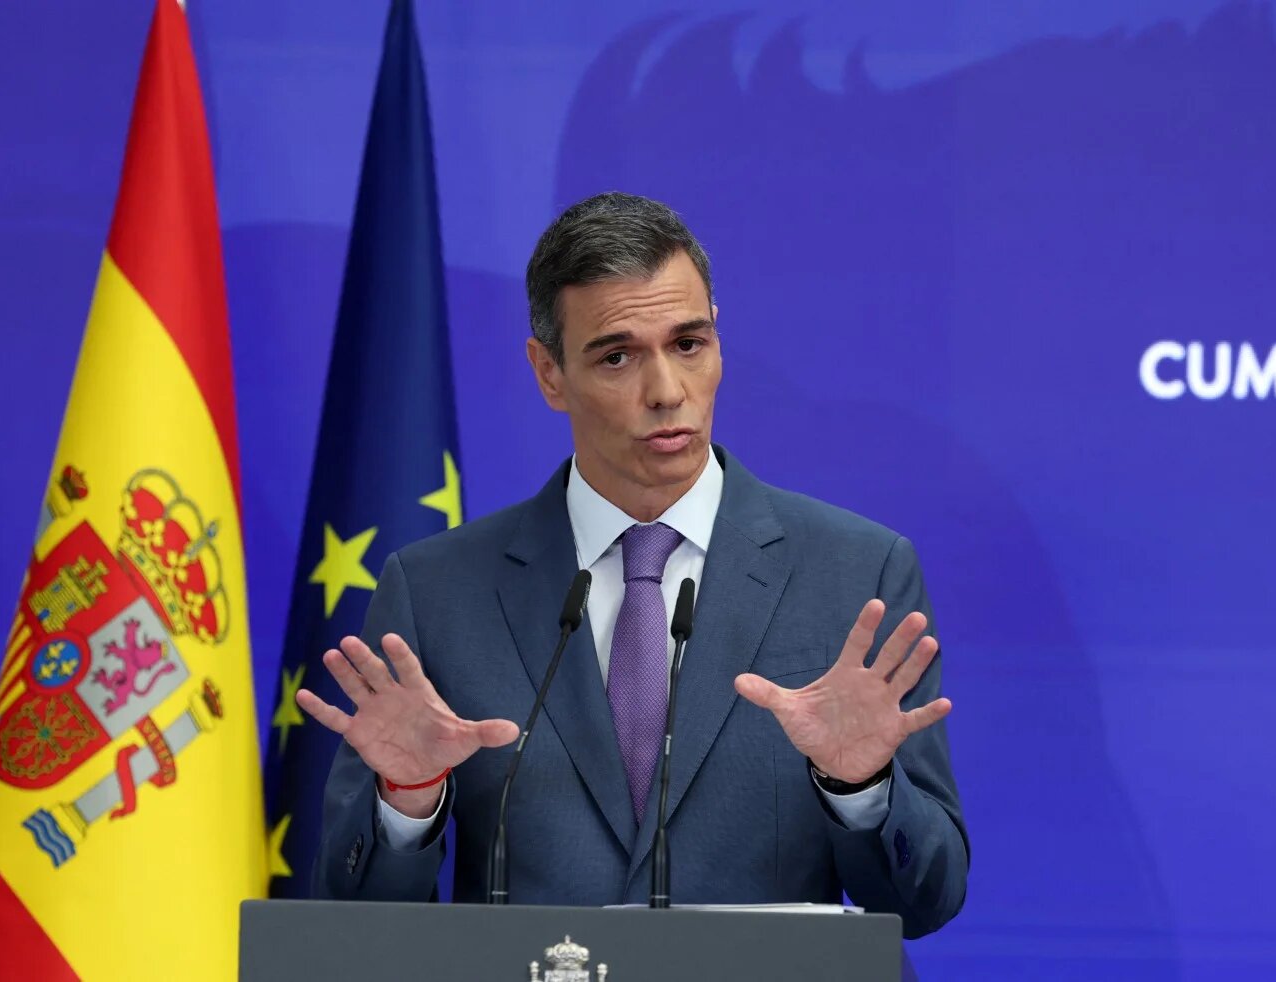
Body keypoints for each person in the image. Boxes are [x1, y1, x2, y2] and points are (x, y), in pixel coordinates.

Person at [302, 192, 968, 938]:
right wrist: (406, 798)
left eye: (688, 344)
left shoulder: (855, 574)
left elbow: (926, 902)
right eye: (617, 356)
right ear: (549, 373)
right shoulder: (437, 591)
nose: (666, 392)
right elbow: (360, 921)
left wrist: (861, 787)